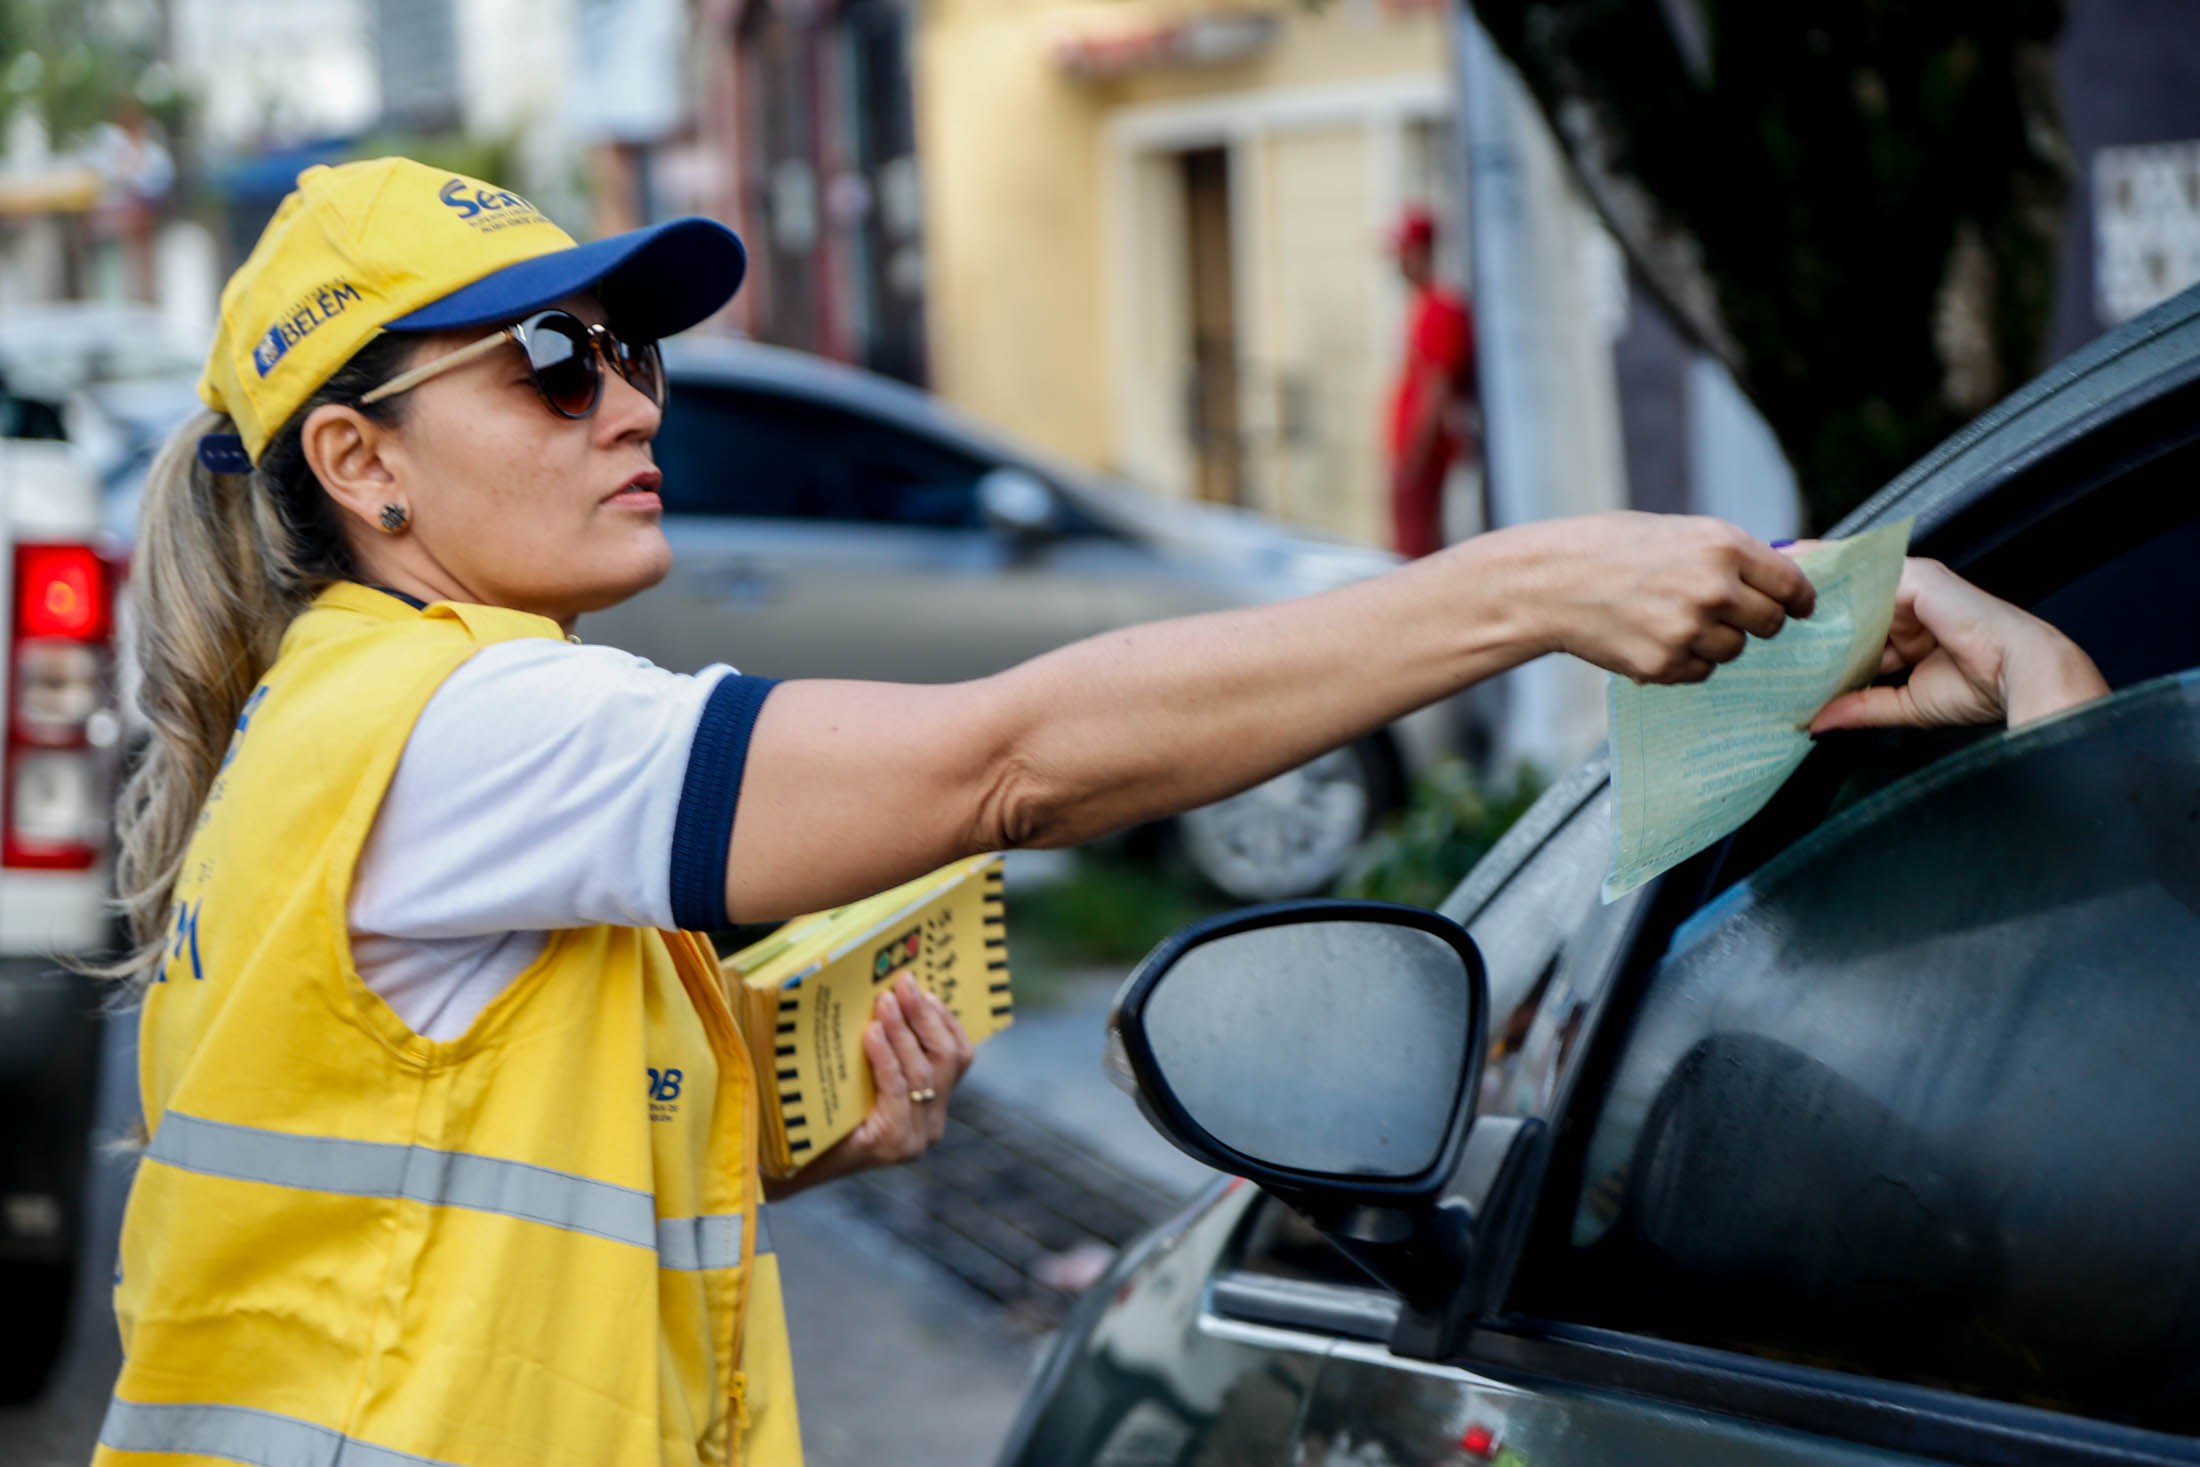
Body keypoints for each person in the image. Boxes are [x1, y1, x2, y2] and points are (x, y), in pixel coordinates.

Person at [98, 157, 1822, 1467]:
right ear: (359, 462)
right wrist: (1527, 591)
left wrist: (757, 1134)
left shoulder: (342, 713)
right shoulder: (461, 721)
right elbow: (1010, 762)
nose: (631, 402)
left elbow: (414, 1190)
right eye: (551, 360)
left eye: (630, 351)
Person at [1384, 204, 1476, 559]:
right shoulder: (1423, 305)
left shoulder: (1441, 308)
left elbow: (1436, 391)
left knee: (1418, 555)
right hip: (1415, 458)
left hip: (1426, 462)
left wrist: (1413, 459)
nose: (1398, 262)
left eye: (1403, 253)